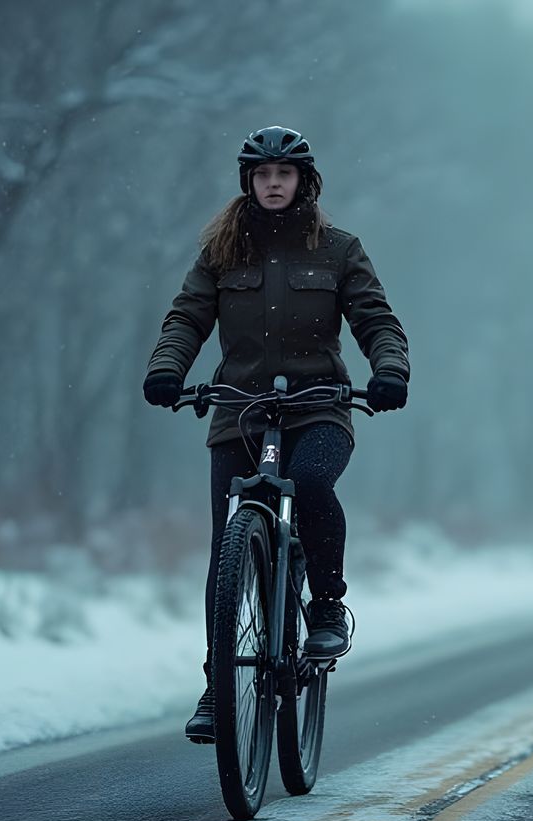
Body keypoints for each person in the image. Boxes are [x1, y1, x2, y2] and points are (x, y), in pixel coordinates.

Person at [142, 125, 410, 743]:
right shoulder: (220, 253)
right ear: (248, 182)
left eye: (283, 174)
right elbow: (187, 317)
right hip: (240, 410)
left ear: (303, 181)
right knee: (226, 546)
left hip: (319, 408)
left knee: (312, 481)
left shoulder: (339, 250)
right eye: (262, 175)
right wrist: (166, 370)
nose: (272, 184)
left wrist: (389, 371)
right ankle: (218, 684)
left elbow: (376, 319)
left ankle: (323, 606)